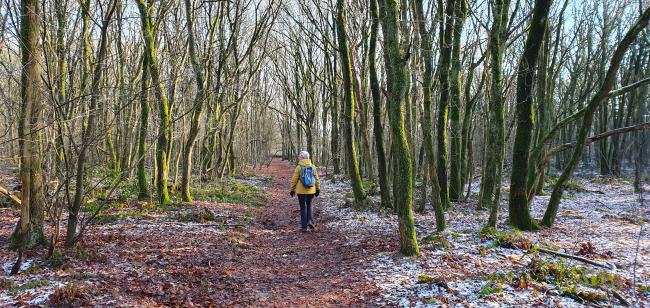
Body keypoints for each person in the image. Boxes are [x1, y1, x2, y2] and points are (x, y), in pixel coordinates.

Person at [290, 151, 320, 231]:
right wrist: (318, 189)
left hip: (301, 191)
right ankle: (310, 221)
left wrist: (292, 190)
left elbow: (294, 179)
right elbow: (316, 179)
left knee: (303, 207)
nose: (299, 158)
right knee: (309, 205)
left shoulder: (299, 167)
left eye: (300, 156)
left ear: (301, 158)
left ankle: (304, 227)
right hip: (311, 190)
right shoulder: (313, 166)